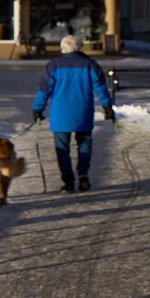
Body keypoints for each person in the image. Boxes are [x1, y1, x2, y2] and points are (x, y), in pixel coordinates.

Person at [32, 34, 114, 192]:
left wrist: (38, 109)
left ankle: (68, 181)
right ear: (78, 48)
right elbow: (101, 88)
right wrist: (107, 106)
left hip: (60, 114)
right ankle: (83, 174)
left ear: (62, 48)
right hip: (83, 111)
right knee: (85, 143)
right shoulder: (90, 64)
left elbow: (44, 90)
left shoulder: (53, 66)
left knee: (62, 148)